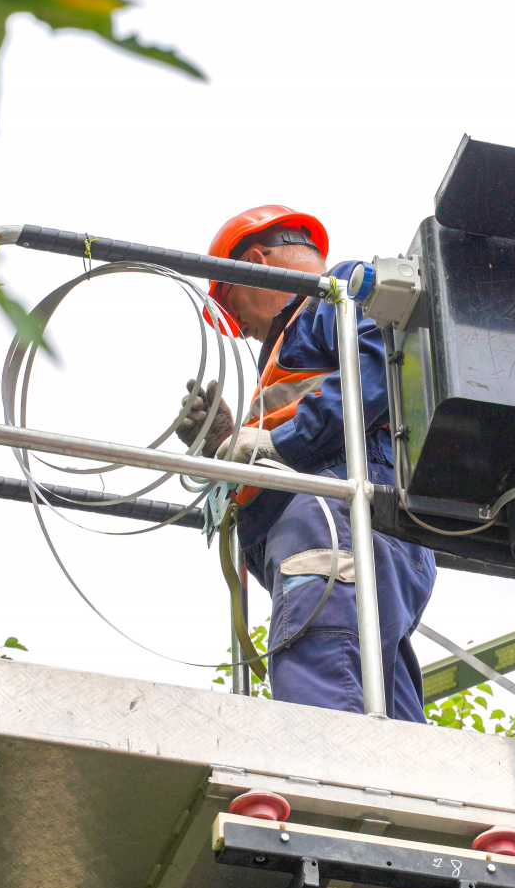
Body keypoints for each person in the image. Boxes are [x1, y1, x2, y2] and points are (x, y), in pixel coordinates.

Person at [176, 206, 437, 721]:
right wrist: (225, 440)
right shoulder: (292, 349)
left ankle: (330, 788)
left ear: (255, 266)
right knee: (375, 677)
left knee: (319, 652)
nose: (244, 333)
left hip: (338, 515)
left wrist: (277, 445)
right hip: (354, 525)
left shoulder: (335, 295)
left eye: (234, 314)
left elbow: (377, 373)